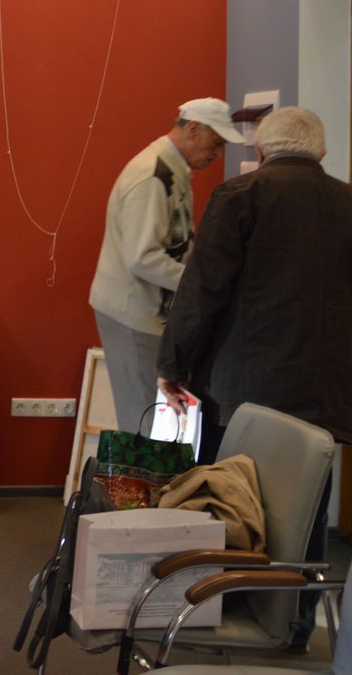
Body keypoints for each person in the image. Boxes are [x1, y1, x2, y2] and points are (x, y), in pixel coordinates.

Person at [157, 106, 352, 651]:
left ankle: (221, 608)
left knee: (231, 500)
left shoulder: (240, 197)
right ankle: (295, 625)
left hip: (243, 390)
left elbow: (202, 291)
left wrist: (173, 365)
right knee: (305, 510)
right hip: (325, 392)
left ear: (261, 151)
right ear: (322, 152)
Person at [88, 97, 243, 433]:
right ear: (193, 129)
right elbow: (142, 258)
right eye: (215, 143)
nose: (217, 154)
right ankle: (144, 471)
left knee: (151, 417)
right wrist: (201, 283)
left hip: (145, 312)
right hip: (134, 315)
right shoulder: (153, 175)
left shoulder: (170, 168)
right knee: (144, 421)